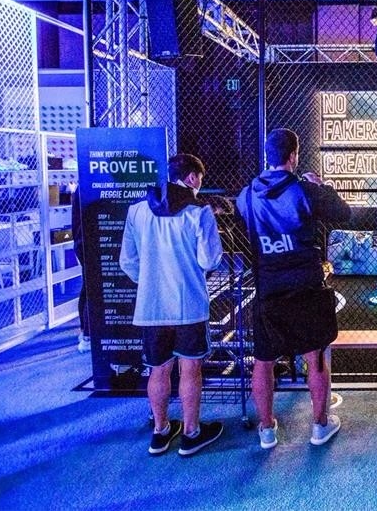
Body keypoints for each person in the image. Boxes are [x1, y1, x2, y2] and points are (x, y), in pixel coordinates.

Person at [237, 128, 351, 449]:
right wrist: (322, 187)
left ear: (268, 156)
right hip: (305, 287)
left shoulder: (246, 195)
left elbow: (243, 226)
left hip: (268, 288)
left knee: (263, 361)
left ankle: (266, 430)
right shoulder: (305, 190)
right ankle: (319, 425)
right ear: (293, 156)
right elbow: (344, 213)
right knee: (315, 358)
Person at [119, 153, 225, 457]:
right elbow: (210, 260)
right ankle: (191, 432)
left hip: (151, 307)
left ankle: (161, 430)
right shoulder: (199, 211)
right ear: (192, 177)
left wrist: (149, 280)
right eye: (200, 178)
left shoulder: (137, 210)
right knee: (190, 369)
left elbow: (127, 260)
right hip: (188, 304)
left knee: (158, 369)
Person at [70, 187, 90, 353]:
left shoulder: (83, 186)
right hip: (87, 243)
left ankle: (85, 331)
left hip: (83, 242)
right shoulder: (87, 186)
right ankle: (87, 335)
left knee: (88, 287)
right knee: (93, 288)